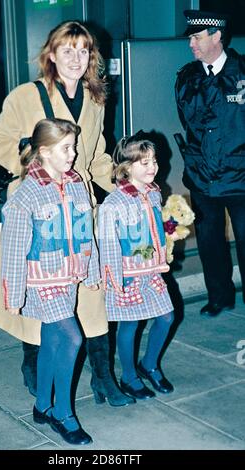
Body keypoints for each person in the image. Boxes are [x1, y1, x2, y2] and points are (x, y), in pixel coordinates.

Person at [0, 20, 132, 406]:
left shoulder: (96, 98)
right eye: (67, 49)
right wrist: (33, 161)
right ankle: (32, 364)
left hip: (80, 207)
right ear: (51, 54)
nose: (76, 57)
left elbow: (98, 156)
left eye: (84, 50)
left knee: (92, 292)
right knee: (37, 294)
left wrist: (128, 188)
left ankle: (103, 377)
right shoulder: (25, 95)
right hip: (37, 206)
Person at [1, 118, 98, 445]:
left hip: (68, 277)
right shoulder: (26, 194)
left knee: (53, 340)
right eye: (66, 148)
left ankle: (42, 404)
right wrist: (14, 294)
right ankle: (62, 413)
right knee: (72, 339)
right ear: (44, 152)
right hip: (41, 281)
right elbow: (13, 250)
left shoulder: (75, 183)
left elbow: (87, 230)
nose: (73, 154)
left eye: (73, 147)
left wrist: (93, 269)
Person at [175, 10, 245, 317]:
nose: (191, 43)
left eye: (197, 37)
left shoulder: (243, 73)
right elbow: (190, 120)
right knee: (209, 241)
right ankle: (220, 296)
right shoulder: (188, 77)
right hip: (202, 176)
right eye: (191, 37)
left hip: (241, 176)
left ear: (217, 36)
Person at [98, 132, 174, 399]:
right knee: (130, 325)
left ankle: (149, 364)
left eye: (154, 161)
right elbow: (108, 243)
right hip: (126, 274)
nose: (152, 167)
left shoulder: (154, 193)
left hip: (151, 270)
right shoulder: (114, 203)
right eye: (144, 163)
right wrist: (115, 279)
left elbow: (155, 229)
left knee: (166, 316)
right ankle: (128, 376)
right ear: (127, 168)